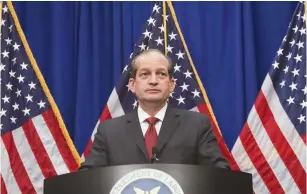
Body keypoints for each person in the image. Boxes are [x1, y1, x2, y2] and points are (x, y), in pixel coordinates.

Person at [80, 49, 230, 169]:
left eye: (161, 74)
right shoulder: (109, 130)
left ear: (172, 85)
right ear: (132, 85)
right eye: (145, 74)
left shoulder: (197, 125)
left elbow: (219, 175)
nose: (153, 81)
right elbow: (88, 179)